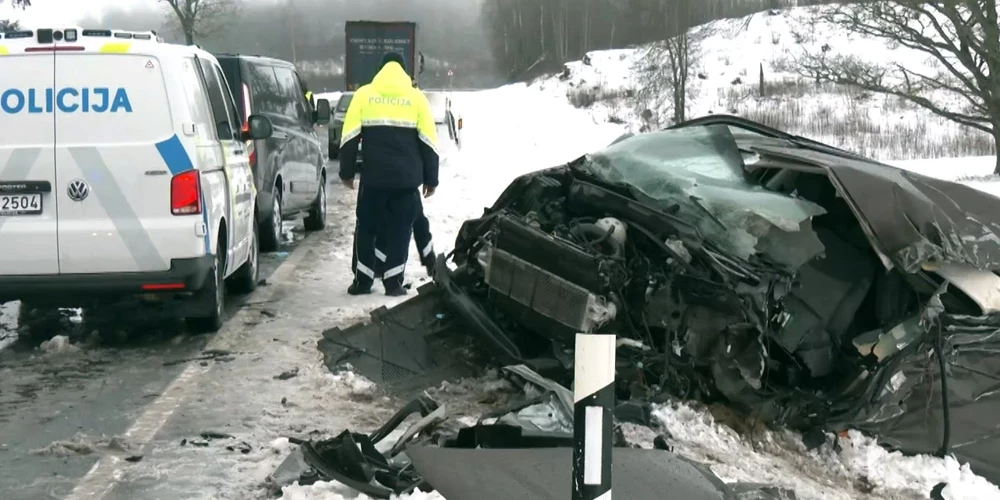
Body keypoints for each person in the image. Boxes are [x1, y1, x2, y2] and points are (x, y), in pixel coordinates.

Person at [339, 52, 439, 296]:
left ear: (380, 70)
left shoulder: (364, 95)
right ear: (405, 72)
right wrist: (431, 180)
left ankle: (362, 282)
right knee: (399, 231)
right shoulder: (416, 99)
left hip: (374, 181)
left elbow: (349, 138)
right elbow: (429, 142)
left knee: (367, 229)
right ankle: (393, 284)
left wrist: (347, 173)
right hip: (406, 182)